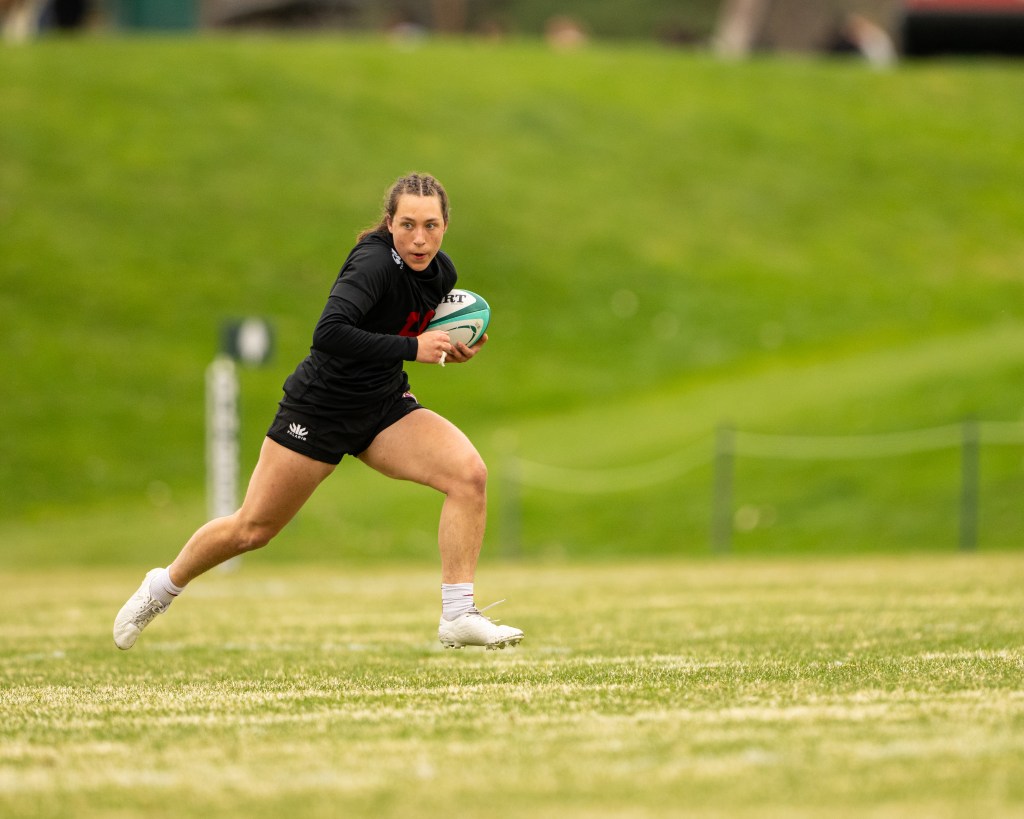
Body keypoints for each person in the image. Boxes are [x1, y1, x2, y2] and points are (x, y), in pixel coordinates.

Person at [113, 172, 524, 652]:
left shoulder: (441, 274)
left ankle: (457, 614)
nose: (419, 238)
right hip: (320, 409)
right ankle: (161, 588)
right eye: (407, 224)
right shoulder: (372, 263)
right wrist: (413, 348)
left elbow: (406, 328)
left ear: (445, 226)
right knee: (253, 529)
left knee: (469, 475)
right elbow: (330, 332)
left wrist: (449, 346)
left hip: (384, 406)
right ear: (389, 222)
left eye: (430, 226)